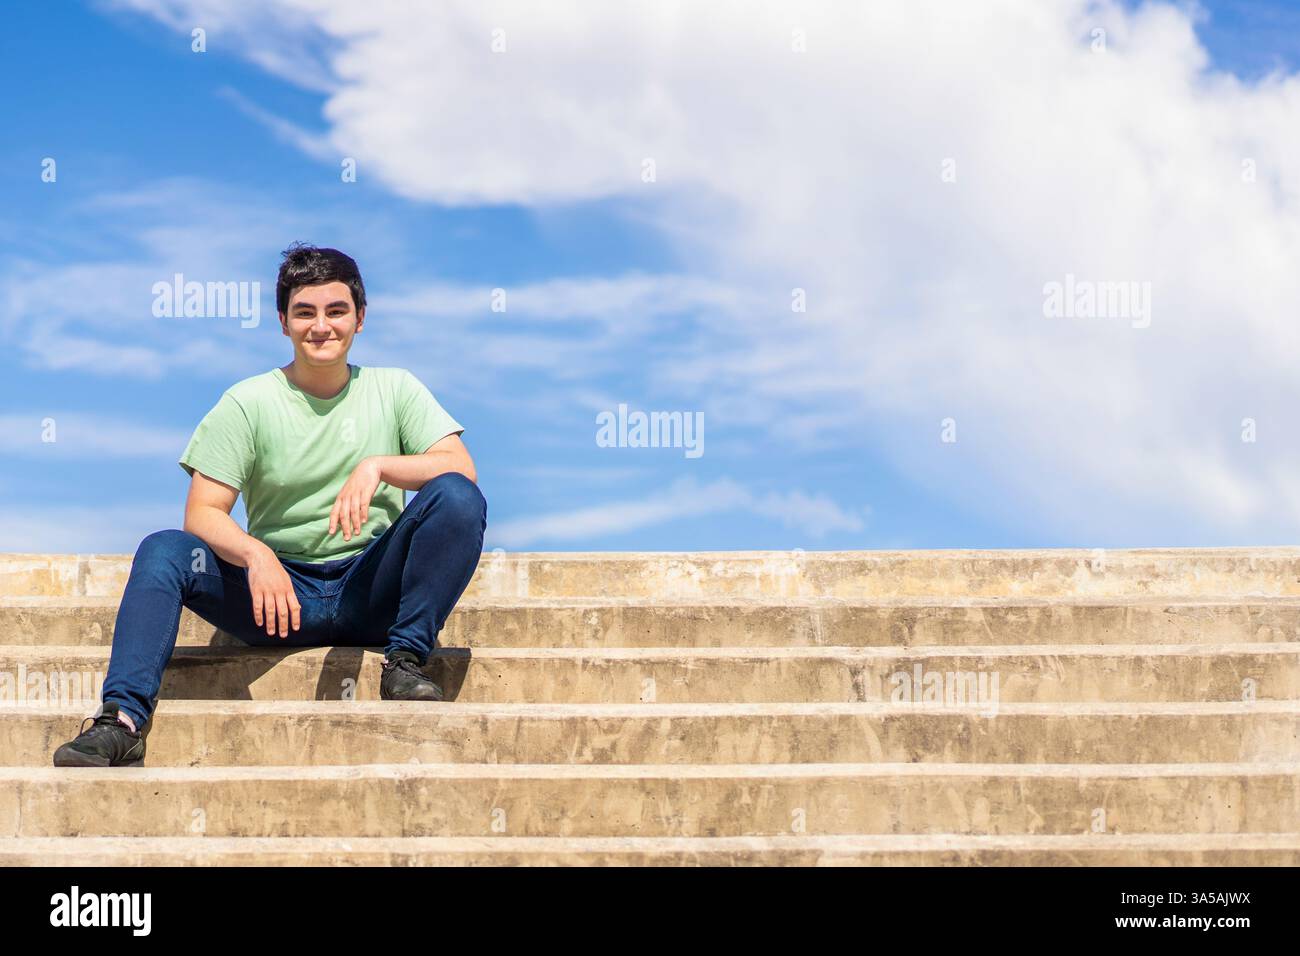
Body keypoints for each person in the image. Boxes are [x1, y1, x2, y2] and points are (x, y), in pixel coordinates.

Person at [53, 243, 486, 767]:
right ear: (283, 322)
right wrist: (257, 555)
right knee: (164, 549)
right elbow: (203, 513)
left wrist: (379, 465)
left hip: (374, 589)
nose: (321, 326)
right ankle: (121, 721)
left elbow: (460, 468)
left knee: (456, 496)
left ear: (360, 318)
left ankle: (407, 661)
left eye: (336, 311)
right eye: (304, 312)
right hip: (280, 600)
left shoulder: (395, 389)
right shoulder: (248, 401)